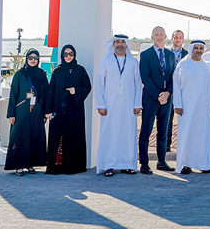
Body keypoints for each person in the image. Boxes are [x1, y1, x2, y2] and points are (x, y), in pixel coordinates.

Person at [95, 34, 142, 176]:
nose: (120, 44)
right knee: (110, 134)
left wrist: (137, 104)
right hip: (109, 106)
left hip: (129, 105)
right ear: (113, 44)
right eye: (117, 42)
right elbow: (99, 84)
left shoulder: (133, 62)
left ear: (126, 44)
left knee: (128, 134)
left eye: (123, 42)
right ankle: (109, 165)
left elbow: (138, 84)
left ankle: (128, 164)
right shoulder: (106, 61)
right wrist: (100, 105)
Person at [173, 40, 210, 174]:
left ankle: (203, 164)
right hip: (187, 107)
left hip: (204, 107)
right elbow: (176, 85)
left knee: (203, 134)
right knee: (187, 134)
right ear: (191, 49)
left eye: (201, 48)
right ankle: (186, 164)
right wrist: (178, 105)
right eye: (196, 48)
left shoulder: (208, 66)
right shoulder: (183, 65)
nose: (198, 50)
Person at [45, 44, 92, 175]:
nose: (68, 56)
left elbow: (87, 87)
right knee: (58, 136)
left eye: (71, 53)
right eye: (66, 54)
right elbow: (50, 91)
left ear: (74, 54)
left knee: (73, 135)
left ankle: (72, 166)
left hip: (74, 110)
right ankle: (58, 166)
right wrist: (48, 110)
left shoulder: (80, 70)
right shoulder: (57, 71)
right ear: (62, 56)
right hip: (58, 109)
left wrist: (75, 91)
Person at [5, 48, 49, 176]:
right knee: (19, 137)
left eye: (35, 58)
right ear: (26, 59)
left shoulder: (42, 75)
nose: (33, 60)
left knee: (34, 136)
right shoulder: (20, 75)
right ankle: (19, 165)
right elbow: (13, 94)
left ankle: (30, 164)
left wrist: (46, 111)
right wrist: (11, 114)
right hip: (21, 110)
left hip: (37, 111)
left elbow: (46, 94)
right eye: (30, 57)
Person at [138, 26, 176, 173]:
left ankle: (161, 161)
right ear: (152, 37)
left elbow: (174, 77)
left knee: (163, 131)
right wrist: (158, 95)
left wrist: (167, 94)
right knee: (146, 132)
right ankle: (144, 164)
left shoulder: (171, 55)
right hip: (150, 99)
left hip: (166, 100)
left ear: (165, 36)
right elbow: (145, 78)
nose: (159, 37)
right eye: (156, 35)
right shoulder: (145, 55)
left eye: (161, 35)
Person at [165, 29, 188, 152]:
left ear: (183, 40)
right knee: (167, 120)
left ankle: (183, 145)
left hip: (184, 91)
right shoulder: (166, 53)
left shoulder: (188, 54)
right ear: (172, 39)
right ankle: (167, 145)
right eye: (176, 37)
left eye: (180, 37)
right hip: (169, 90)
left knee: (184, 118)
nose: (178, 39)